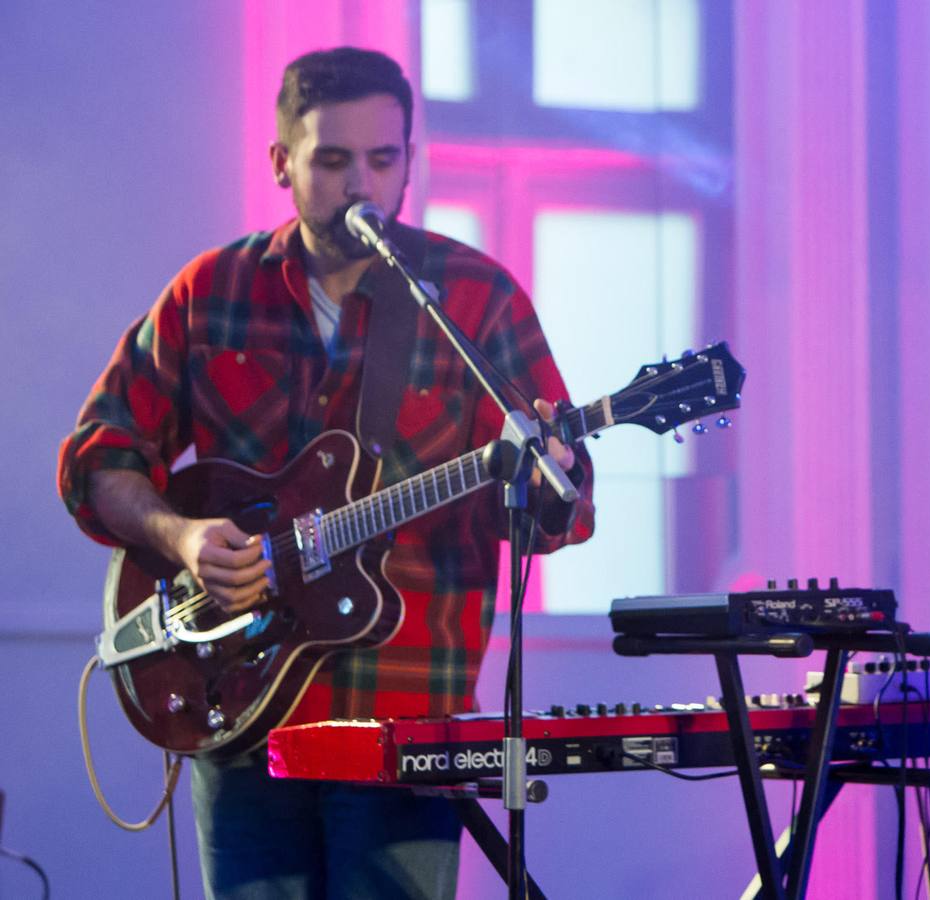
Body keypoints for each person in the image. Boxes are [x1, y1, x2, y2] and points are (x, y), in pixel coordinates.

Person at [57, 47, 595, 899]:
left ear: (410, 162)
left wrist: (550, 478)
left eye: (384, 160)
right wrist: (183, 536)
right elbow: (98, 456)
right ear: (282, 163)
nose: (362, 186)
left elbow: (559, 514)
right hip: (235, 703)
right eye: (333, 161)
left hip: (404, 717)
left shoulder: (472, 300)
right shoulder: (211, 292)